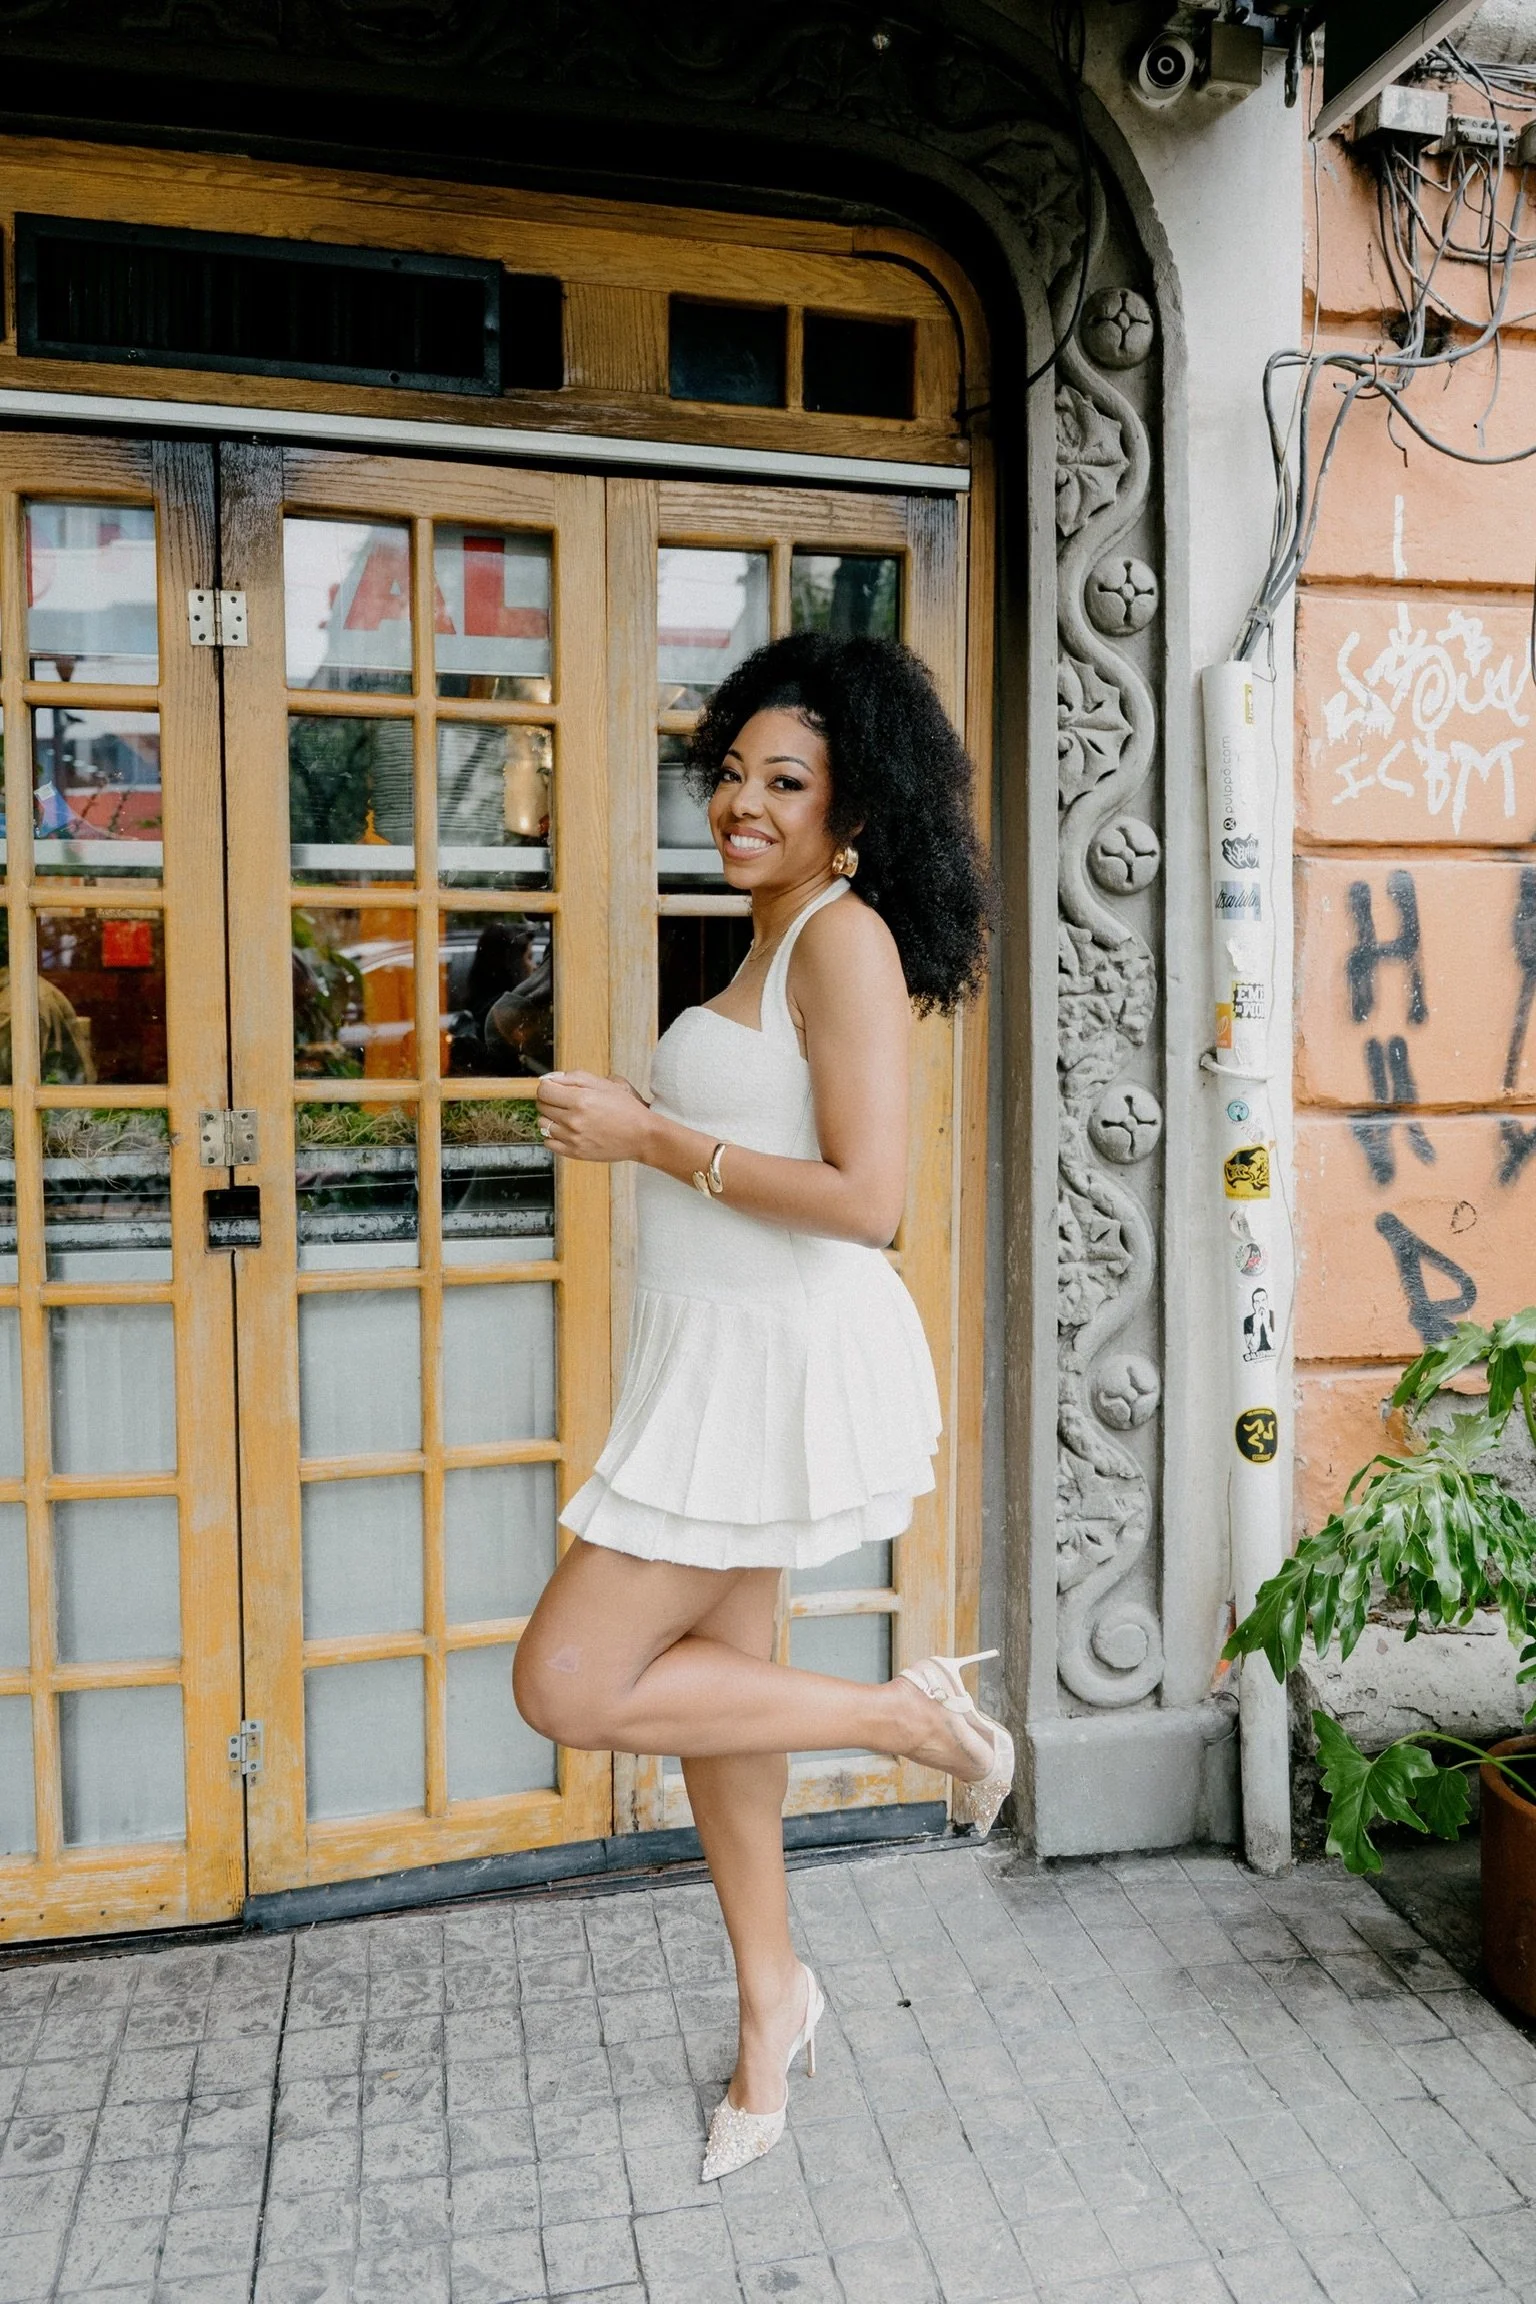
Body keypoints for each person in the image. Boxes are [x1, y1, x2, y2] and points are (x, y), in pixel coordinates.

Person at [515, 632, 1004, 2183]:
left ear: (850, 810)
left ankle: (905, 1724)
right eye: (732, 773)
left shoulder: (842, 939)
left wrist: (648, 1136)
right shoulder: (766, 938)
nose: (742, 803)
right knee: (724, 1713)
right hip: (713, 1367)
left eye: (782, 782)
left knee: (573, 1683)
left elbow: (872, 1202)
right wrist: (651, 1130)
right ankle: (769, 2007)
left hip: (776, 1361)